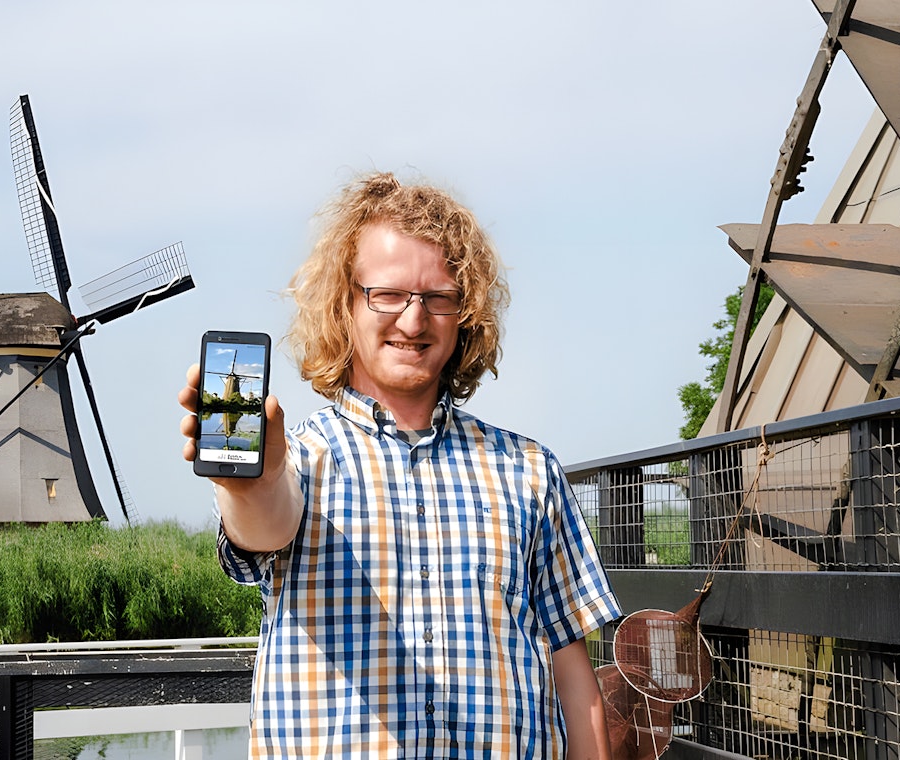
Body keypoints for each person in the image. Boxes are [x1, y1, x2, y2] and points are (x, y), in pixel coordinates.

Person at [178, 171, 621, 758]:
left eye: (439, 298)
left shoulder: (530, 471)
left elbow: (572, 671)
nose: (413, 321)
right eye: (387, 295)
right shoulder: (302, 461)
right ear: (345, 304)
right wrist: (253, 480)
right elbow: (265, 520)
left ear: (466, 314)